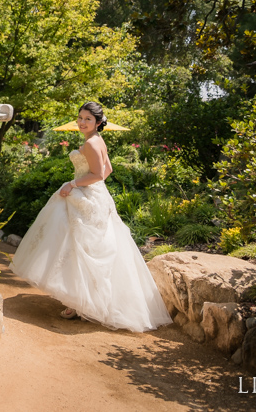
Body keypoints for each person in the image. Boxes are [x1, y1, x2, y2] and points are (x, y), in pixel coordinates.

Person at [9, 102, 172, 332]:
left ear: (98, 122)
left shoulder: (92, 144)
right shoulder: (96, 141)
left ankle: (81, 302)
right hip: (94, 196)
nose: (82, 122)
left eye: (87, 119)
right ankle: (80, 300)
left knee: (81, 249)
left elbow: (98, 174)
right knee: (77, 248)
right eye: (80, 117)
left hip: (87, 198)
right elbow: (108, 171)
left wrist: (73, 183)